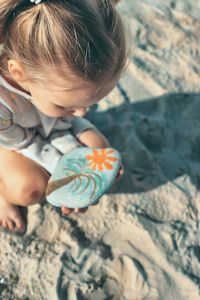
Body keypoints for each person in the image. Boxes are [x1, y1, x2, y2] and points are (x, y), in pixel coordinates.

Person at [0, 0, 127, 233]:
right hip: (11, 140)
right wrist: (63, 165)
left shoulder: (52, 88)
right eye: (68, 105)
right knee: (29, 190)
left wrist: (84, 148)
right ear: (19, 72)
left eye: (87, 104)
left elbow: (69, 118)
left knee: (99, 149)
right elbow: (24, 142)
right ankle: (2, 196)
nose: (81, 111)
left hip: (46, 123)